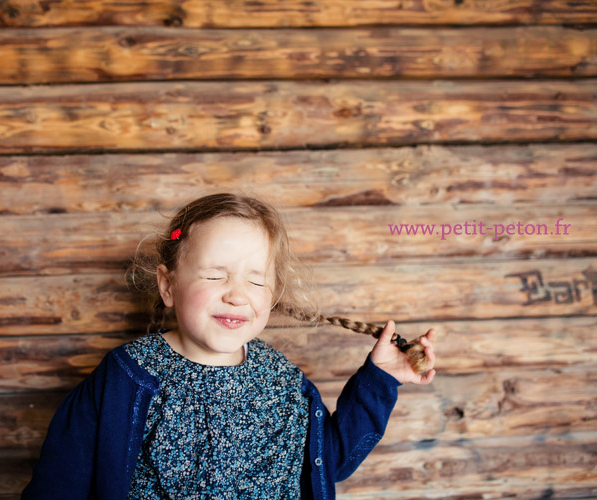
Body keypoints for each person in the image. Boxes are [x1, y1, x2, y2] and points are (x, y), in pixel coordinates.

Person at [21, 193, 436, 500]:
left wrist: (379, 379)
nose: (237, 295)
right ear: (168, 286)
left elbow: (332, 462)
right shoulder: (128, 378)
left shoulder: (283, 381)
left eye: (256, 280)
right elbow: (58, 484)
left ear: (272, 295)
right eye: (216, 275)